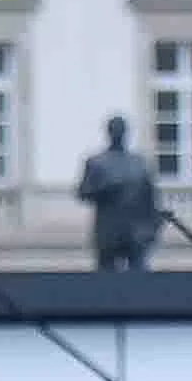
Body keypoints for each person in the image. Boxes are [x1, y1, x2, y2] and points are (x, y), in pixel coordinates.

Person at [76, 115, 162, 269]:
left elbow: (152, 199)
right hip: (108, 231)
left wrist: (153, 229)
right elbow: (83, 193)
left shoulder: (139, 163)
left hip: (136, 231)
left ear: (125, 133)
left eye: (120, 130)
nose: (117, 133)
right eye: (114, 130)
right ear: (109, 133)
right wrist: (104, 190)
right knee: (106, 278)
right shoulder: (97, 162)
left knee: (139, 276)